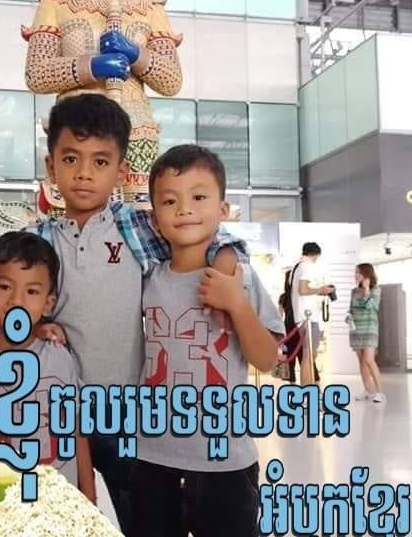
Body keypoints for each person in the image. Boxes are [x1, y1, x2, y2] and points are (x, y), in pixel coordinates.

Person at [0, 94, 244, 536]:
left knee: (144, 518)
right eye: (71, 159)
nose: (84, 173)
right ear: (51, 165)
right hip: (58, 417)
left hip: (127, 412)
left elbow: (204, 231)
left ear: (120, 169)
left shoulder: (138, 227)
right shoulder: (35, 240)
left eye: (100, 161)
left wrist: (227, 257)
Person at [131, 145, 284, 537]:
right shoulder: (147, 279)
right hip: (152, 456)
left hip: (225, 462)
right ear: (155, 218)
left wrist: (237, 304)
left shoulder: (239, 277)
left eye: (199, 197)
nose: (185, 209)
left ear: (223, 209)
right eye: (170, 201)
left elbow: (267, 359)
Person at [0, 231, 95, 500]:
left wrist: (89, 495)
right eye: (4, 287)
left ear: (48, 304)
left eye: (32, 291)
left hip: (57, 505)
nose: (16, 300)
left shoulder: (58, 356)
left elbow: (76, 429)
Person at [290, 242, 333, 386]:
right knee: (309, 354)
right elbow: (303, 290)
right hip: (307, 317)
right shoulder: (306, 266)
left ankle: (307, 388)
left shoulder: (297, 267)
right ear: (315, 255)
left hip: (302, 316)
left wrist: (318, 291)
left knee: (309, 354)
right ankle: (306, 389)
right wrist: (320, 290)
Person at [348, 262, 384, 404]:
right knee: (362, 362)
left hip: (369, 329)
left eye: (358, 272)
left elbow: (371, 306)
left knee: (369, 360)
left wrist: (367, 289)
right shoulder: (354, 291)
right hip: (356, 330)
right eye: (355, 272)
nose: (356, 275)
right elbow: (351, 309)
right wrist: (348, 317)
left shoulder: (376, 290)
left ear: (366, 274)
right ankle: (368, 390)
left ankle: (380, 393)